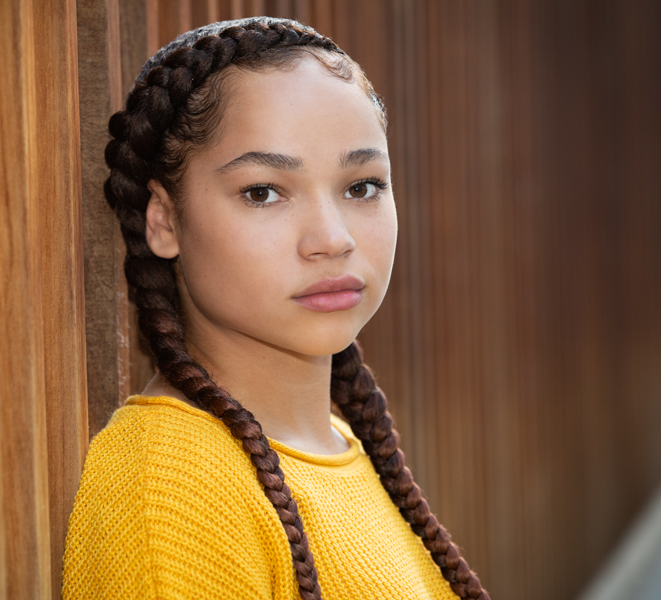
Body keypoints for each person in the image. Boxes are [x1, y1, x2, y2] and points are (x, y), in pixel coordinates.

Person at [63, 17, 488, 600]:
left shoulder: (339, 445)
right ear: (163, 220)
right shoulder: (171, 488)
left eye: (361, 187)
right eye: (263, 192)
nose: (332, 239)